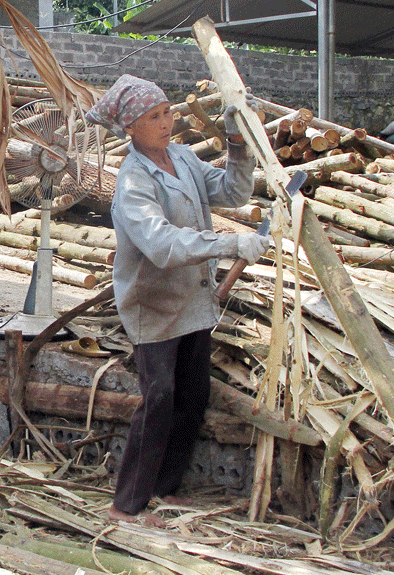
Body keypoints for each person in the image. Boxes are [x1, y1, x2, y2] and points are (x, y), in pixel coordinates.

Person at [85, 75, 268, 525]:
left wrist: (238, 143)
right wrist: (228, 245)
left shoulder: (182, 158)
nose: (166, 122)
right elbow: (163, 246)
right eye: (154, 117)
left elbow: (232, 193)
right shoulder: (133, 182)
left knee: (192, 395)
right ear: (130, 127)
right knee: (159, 397)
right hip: (154, 303)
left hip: (193, 298)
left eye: (167, 111)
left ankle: (166, 489)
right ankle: (126, 504)